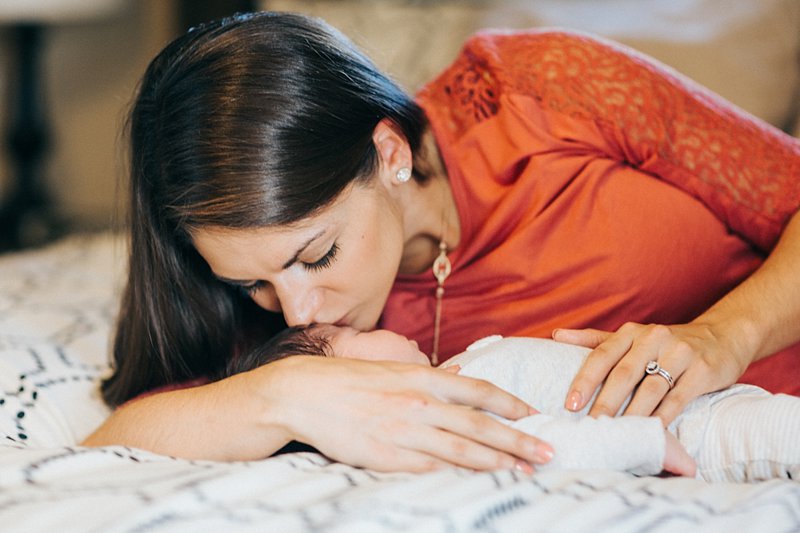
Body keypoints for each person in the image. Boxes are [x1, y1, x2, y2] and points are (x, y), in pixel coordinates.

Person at [82, 11, 800, 473]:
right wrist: (282, 393)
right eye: (253, 284)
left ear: (391, 153)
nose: (297, 311)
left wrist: (721, 336)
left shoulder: (548, 92)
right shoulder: (298, 327)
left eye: (317, 254)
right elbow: (123, 432)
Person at [220, 324, 800, 482]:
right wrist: (643, 443)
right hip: (694, 433)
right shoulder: (439, 417)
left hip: (703, 396)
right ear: (351, 379)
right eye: (343, 333)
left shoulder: (455, 372)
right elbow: (540, 444)